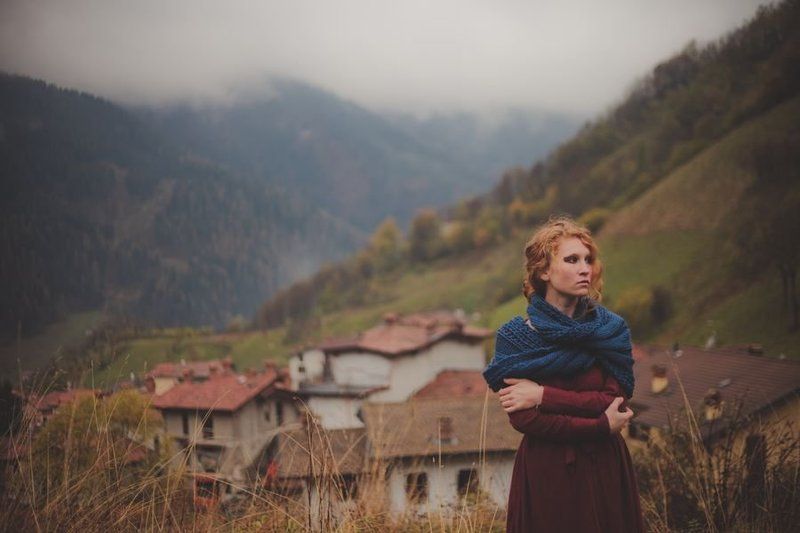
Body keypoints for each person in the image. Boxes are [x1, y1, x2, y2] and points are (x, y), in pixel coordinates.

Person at [483, 216, 644, 533]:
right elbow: (525, 419)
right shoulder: (516, 339)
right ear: (544, 270)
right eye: (572, 260)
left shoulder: (610, 332)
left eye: (588, 259)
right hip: (549, 473)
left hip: (605, 467)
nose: (585, 268)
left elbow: (614, 400)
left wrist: (543, 395)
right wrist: (600, 425)